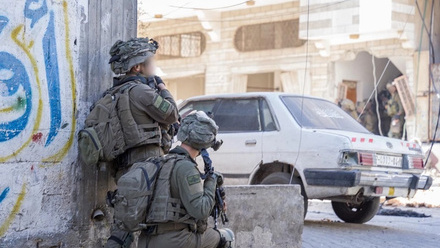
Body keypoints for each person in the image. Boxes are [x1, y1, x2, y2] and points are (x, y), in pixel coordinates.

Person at [105, 38, 179, 247]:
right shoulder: (140, 91)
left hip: (125, 167)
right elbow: (172, 113)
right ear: (137, 67)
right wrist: (162, 87)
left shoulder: (115, 93)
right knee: (152, 224)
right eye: (150, 62)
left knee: (126, 223)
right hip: (148, 166)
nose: (153, 68)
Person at [138, 111, 234, 248]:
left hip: (146, 240)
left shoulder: (162, 163)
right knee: (227, 237)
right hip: (175, 241)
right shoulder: (186, 168)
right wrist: (212, 179)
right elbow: (200, 211)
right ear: (204, 141)